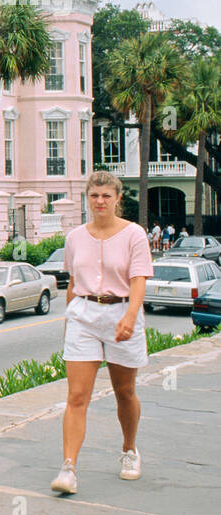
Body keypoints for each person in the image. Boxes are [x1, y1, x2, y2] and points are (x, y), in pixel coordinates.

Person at [51, 170, 153, 495]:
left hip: (123, 312)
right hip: (84, 314)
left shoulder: (134, 235)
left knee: (124, 391)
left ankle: (129, 450)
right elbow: (71, 283)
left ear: (117, 198)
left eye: (106, 196)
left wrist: (131, 317)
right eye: (94, 195)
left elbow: (139, 279)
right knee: (77, 396)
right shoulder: (75, 237)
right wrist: (69, 321)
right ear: (87, 197)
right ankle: (68, 468)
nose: (100, 201)